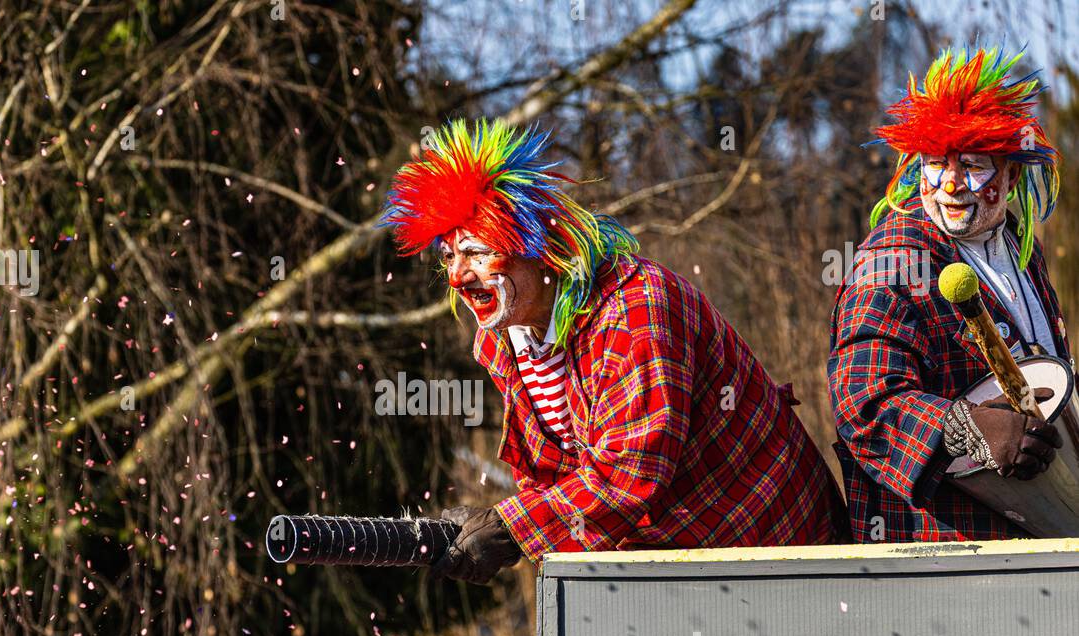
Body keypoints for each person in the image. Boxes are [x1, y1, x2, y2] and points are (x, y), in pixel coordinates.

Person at [380, 118, 844, 584]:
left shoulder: (633, 310)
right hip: (672, 567)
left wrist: (513, 527)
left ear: (537, 246)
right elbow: (553, 473)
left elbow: (633, 471)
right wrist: (514, 526)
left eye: (478, 253)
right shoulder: (504, 338)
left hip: (778, 552)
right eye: (447, 257)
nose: (458, 276)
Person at [829, 46, 1067, 542]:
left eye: (975, 165)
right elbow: (863, 405)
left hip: (1035, 525)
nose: (951, 184)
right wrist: (969, 428)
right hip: (940, 544)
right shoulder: (893, 259)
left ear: (1012, 174)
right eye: (937, 163)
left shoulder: (1022, 249)